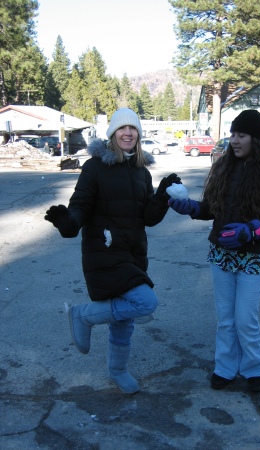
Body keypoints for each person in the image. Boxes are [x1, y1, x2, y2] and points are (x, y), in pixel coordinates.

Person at [45, 108, 180, 394]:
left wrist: (162, 195)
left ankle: (117, 370)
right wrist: (68, 223)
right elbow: (80, 204)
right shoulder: (95, 167)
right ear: (112, 134)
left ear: (139, 135)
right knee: (145, 302)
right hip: (104, 250)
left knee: (124, 318)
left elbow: (148, 217)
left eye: (133, 129)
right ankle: (82, 315)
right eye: (122, 129)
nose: (128, 133)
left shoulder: (142, 172)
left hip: (133, 253)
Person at [169, 110, 260, 393]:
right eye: (233, 134)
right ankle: (225, 367)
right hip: (222, 254)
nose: (234, 141)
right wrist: (191, 207)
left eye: (242, 135)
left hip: (255, 257)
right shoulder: (223, 166)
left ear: (256, 139)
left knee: (244, 318)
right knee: (225, 318)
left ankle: (255, 367)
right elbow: (210, 208)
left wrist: (252, 230)